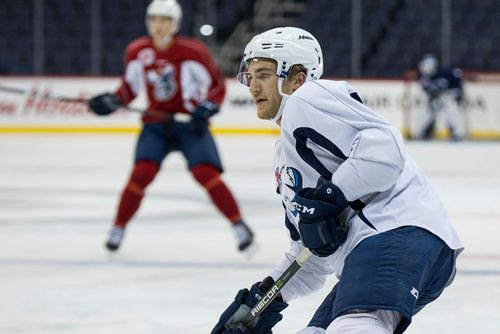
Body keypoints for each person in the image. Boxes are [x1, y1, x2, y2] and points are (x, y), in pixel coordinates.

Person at [210, 27, 463, 334]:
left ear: (298, 79)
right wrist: (264, 300)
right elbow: (311, 255)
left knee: (356, 326)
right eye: (250, 76)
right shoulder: (284, 157)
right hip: (389, 245)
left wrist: (332, 193)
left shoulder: (307, 100)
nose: (253, 87)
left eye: (264, 74)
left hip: (395, 229)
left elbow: (385, 151)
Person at [87, 0, 254, 253]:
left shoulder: (193, 51)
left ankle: (238, 225)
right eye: (154, 19)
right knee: (140, 174)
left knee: (206, 174)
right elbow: (129, 87)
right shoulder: (137, 51)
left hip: (190, 126)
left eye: (164, 20)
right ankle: (118, 227)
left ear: (174, 24)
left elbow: (216, 87)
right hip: (156, 125)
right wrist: (114, 100)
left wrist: (206, 109)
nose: (159, 25)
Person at [416, 53, 466, 141]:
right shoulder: (423, 76)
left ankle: (457, 132)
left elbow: (456, 82)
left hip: (447, 96)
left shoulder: (445, 73)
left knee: (451, 112)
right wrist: (433, 96)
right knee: (428, 114)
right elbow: (426, 89)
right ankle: (424, 132)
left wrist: (457, 94)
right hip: (435, 98)